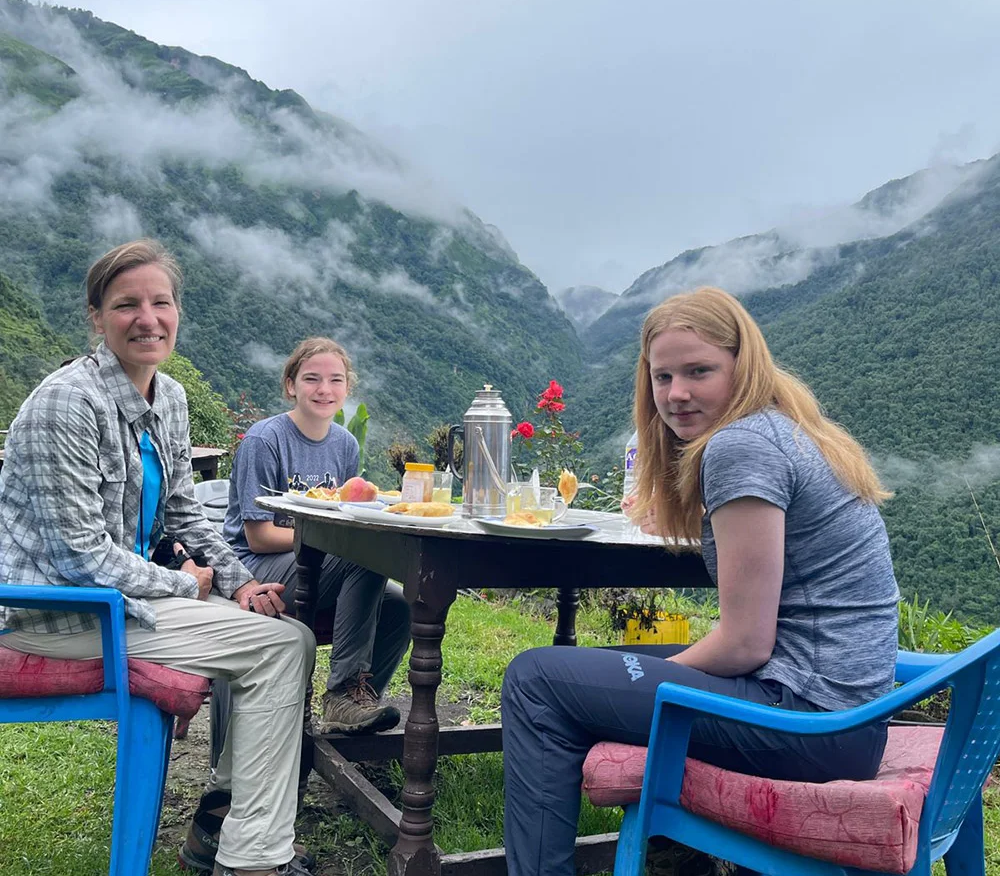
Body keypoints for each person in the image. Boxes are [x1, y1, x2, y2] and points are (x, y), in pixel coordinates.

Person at [500, 286, 900, 876]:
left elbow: (745, 644)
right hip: (848, 714)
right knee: (604, 667)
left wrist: (656, 682)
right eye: (663, 377)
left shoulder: (741, 446)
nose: (677, 393)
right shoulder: (783, 429)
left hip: (807, 719)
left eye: (699, 371)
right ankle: (677, 857)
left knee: (537, 680)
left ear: (743, 366)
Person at [0, 239, 316, 876]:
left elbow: (179, 508)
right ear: (97, 316)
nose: (147, 318)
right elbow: (79, 553)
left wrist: (240, 580)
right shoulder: (69, 402)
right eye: (126, 305)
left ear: (177, 312)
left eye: (160, 302)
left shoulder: (165, 397)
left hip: (120, 600)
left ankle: (220, 825)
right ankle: (250, 857)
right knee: (281, 650)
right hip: (54, 611)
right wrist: (184, 584)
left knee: (289, 633)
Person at [224, 337, 411, 734]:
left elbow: (341, 513)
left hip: (318, 562)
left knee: (401, 606)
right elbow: (256, 536)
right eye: (312, 379)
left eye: (335, 380)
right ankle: (341, 690)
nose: (324, 390)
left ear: (347, 388)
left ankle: (356, 707)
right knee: (364, 554)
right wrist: (335, 545)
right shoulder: (265, 440)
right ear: (291, 385)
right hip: (258, 568)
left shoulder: (344, 444)